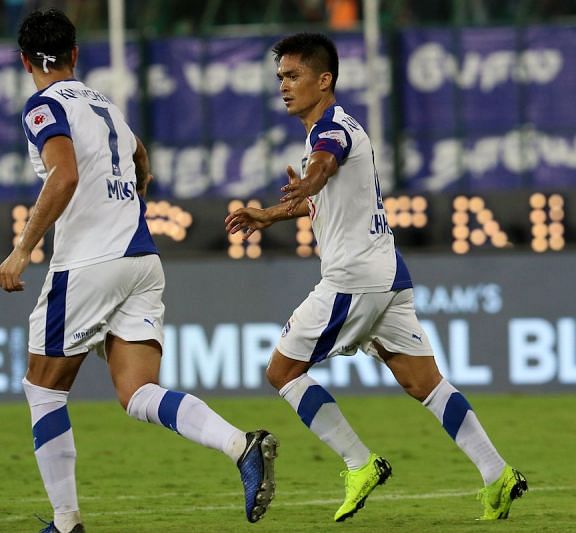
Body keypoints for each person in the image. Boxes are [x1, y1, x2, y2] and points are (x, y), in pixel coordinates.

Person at [225, 32, 527, 523]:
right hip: (386, 274)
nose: (284, 85)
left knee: (281, 372)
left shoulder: (333, 130)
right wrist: (272, 213)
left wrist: (310, 177)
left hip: (353, 279)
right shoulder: (327, 131)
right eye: (280, 76)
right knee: (424, 383)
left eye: (294, 75)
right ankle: (498, 475)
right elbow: (321, 194)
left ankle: (359, 463)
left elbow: (324, 165)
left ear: (324, 80)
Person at [0, 9, 277, 533]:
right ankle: (241, 446)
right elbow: (141, 157)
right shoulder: (105, 104)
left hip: (88, 263)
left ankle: (65, 522)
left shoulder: (41, 108)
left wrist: (22, 250)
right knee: (137, 392)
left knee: (45, 391)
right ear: (75, 55)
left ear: (24, 62)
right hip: (141, 259)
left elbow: (64, 174)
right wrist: (136, 193)